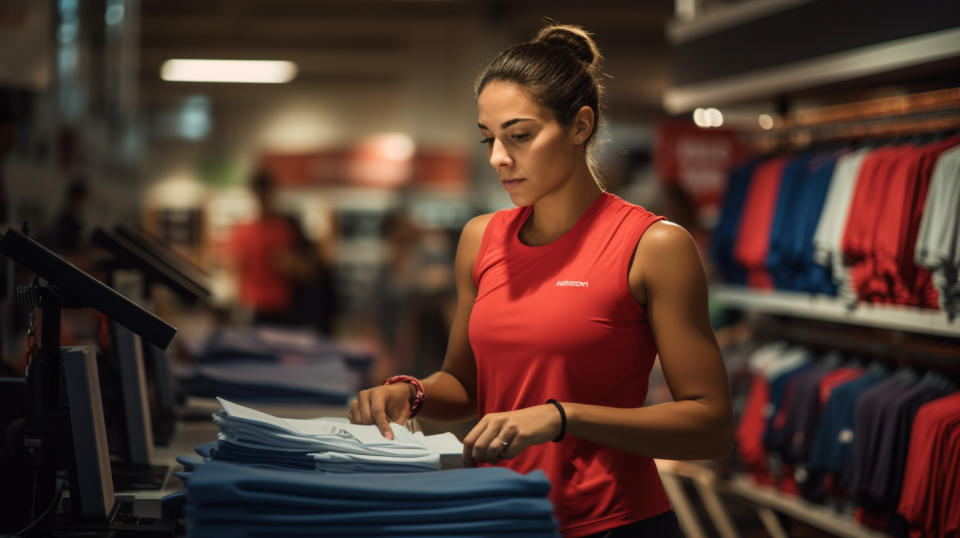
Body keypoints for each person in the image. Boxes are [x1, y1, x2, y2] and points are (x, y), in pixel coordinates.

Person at [349, 24, 733, 537]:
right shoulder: (480, 239)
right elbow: (467, 385)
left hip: (612, 523)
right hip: (496, 514)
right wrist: (411, 394)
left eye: (520, 136)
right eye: (489, 139)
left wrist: (562, 416)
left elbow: (710, 427)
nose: (498, 159)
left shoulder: (653, 245)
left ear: (580, 126)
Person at [226, 169, 315, 325]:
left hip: (283, 306)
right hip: (255, 305)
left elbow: (308, 270)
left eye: (265, 192)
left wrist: (290, 264)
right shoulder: (245, 230)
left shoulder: (286, 227)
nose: (262, 198)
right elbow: (236, 268)